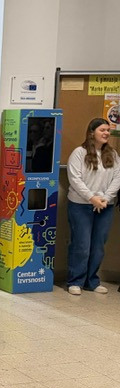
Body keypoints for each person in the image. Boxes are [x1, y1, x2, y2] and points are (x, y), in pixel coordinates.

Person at [66, 118, 120, 296]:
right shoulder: (79, 153)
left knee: (98, 246)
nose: (106, 133)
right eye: (102, 130)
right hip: (81, 205)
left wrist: (105, 198)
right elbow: (75, 179)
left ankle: (92, 281)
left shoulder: (112, 154)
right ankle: (76, 281)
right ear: (91, 132)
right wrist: (91, 198)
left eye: (108, 130)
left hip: (105, 206)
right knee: (81, 244)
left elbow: (117, 178)